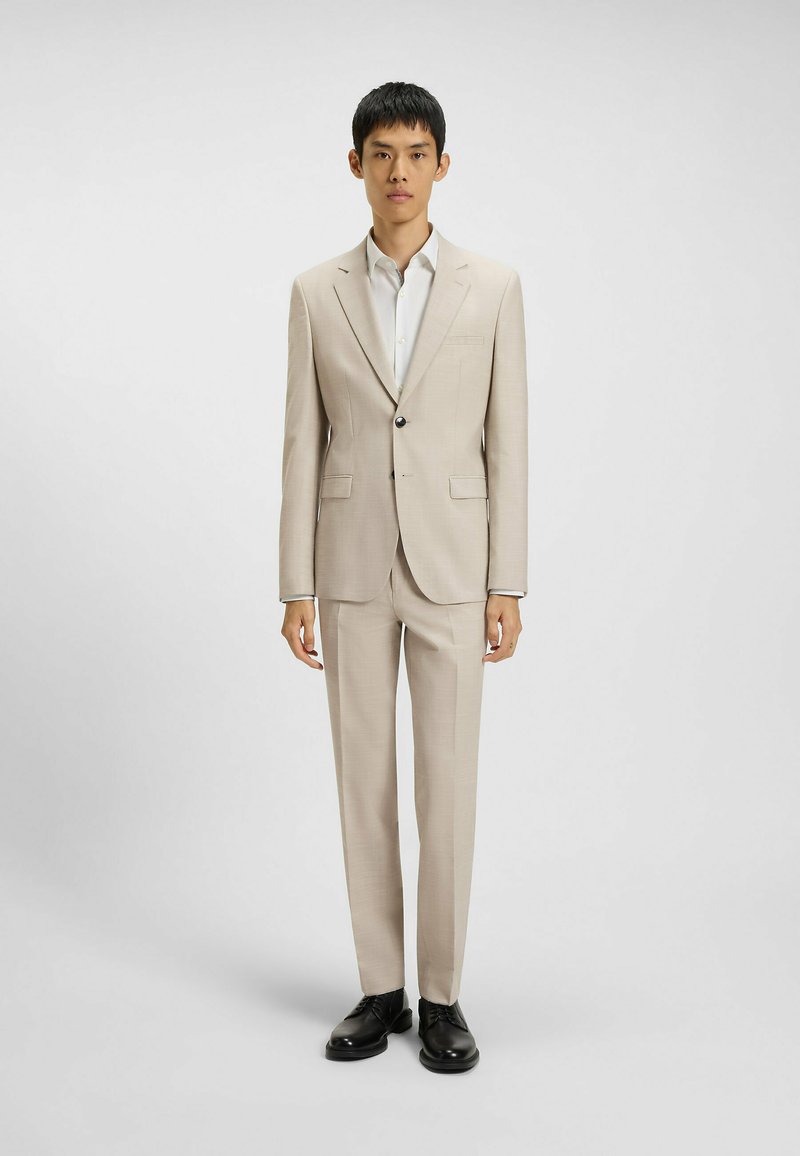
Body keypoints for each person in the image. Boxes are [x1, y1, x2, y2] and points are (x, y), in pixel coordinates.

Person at [278, 80, 528, 1073]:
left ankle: (443, 996)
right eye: (380, 153)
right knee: (363, 784)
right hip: (347, 567)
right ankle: (380, 987)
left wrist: (506, 579)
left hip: (454, 567)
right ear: (355, 165)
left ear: (441, 166)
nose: (398, 172)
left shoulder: (492, 287)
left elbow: (508, 441)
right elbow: (301, 443)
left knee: (446, 785)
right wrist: (294, 584)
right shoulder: (314, 292)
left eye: (415, 153)